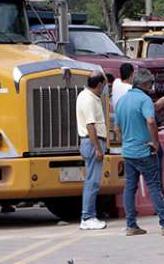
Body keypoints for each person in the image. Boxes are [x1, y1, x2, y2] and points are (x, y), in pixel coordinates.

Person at [114, 68, 164, 236]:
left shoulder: (121, 101)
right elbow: (151, 121)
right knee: (154, 186)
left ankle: (131, 224)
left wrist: (126, 141)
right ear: (146, 84)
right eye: (151, 83)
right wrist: (155, 142)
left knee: (130, 187)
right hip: (144, 150)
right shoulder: (144, 100)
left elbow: (116, 128)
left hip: (128, 151)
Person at [76, 71, 108, 230]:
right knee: (93, 182)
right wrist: (98, 148)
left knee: (91, 181)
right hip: (92, 143)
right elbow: (90, 125)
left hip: (91, 142)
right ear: (100, 84)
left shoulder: (86, 96)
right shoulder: (88, 99)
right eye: (104, 84)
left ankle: (88, 215)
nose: (104, 88)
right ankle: (88, 217)